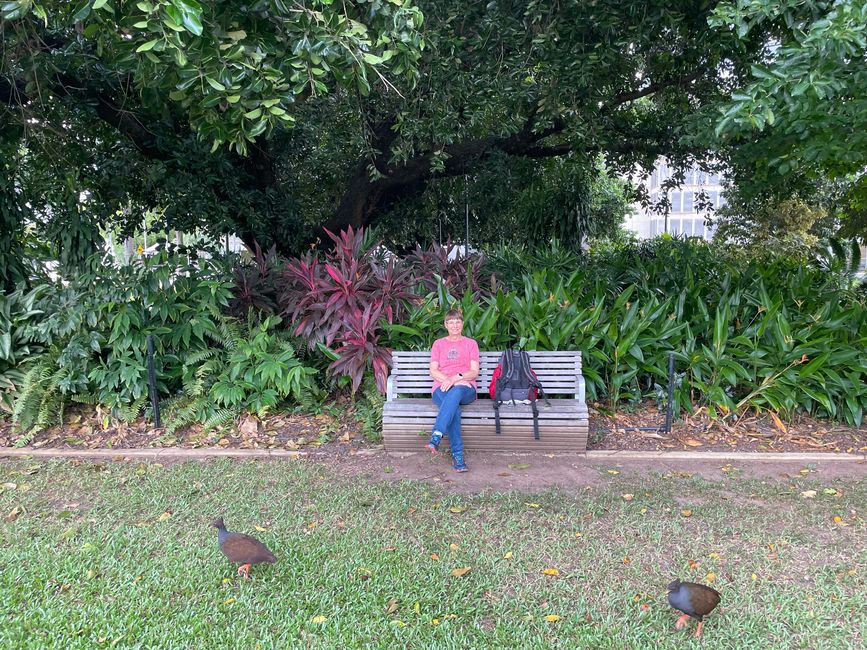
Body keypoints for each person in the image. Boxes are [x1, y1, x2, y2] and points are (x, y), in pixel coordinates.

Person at [427, 308, 480, 472]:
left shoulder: (471, 343)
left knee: (456, 392)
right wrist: (448, 380)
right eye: (451, 322)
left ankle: (437, 433)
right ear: (446, 325)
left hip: (466, 388)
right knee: (454, 409)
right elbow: (433, 370)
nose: (455, 325)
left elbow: (474, 371)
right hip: (441, 387)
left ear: (462, 324)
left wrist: (455, 378)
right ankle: (458, 456)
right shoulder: (439, 344)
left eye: (458, 321)